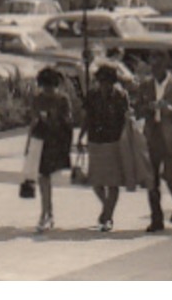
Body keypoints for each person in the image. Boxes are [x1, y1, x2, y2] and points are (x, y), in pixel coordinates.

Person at [133, 50, 172, 232]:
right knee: (151, 179)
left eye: (159, 65)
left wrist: (171, 109)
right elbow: (137, 109)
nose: (155, 69)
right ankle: (156, 218)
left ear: (166, 66)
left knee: (170, 174)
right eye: (152, 65)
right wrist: (148, 108)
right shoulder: (145, 86)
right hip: (152, 135)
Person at [82, 61, 148, 233]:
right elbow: (87, 117)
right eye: (102, 82)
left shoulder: (120, 96)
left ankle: (108, 216)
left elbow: (126, 118)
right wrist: (81, 137)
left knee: (112, 182)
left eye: (108, 82)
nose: (105, 86)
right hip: (95, 140)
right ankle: (107, 209)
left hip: (114, 140)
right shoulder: (92, 95)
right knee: (96, 181)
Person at [27, 66, 73, 233]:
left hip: (55, 141)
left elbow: (68, 122)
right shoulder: (37, 99)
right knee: (43, 178)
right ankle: (46, 212)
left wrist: (53, 118)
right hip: (40, 140)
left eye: (50, 87)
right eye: (45, 87)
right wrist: (29, 145)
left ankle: (47, 213)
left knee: (45, 177)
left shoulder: (62, 100)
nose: (48, 91)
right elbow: (33, 121)